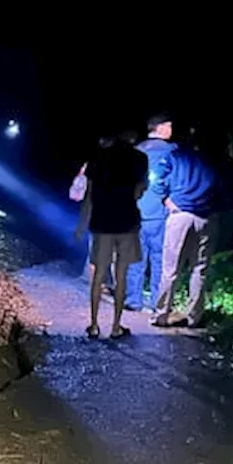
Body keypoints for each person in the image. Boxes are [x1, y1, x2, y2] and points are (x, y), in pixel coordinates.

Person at [74, 134, 149, 339]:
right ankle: (116, 326)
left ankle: (94, 324)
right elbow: (140, 191)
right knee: (121, 273)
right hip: (127, 221)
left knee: (99, 273)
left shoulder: (98, 158)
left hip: (101, 221)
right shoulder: (139, 158)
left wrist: (81, 225)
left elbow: (89, 196)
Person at [150, 139, 221, 328]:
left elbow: (155, 178)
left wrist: (166, 200)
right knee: (200, 269)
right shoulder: (216, 159)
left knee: (170, 269)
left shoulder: (176, 156)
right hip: (207, 217)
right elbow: (232, 184)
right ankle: (193, 316)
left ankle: (161, 315)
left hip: (180, 215)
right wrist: (219, 207)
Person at [125, 114, 177, 312]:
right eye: (169, 126)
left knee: (135, 258)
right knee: (160, 260)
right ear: (161, 128)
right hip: (162, 214)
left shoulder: (135, 151)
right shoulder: (173, 152)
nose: (171, 130)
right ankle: (158, 302)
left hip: (135, 213)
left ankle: (133, 300)